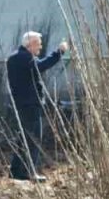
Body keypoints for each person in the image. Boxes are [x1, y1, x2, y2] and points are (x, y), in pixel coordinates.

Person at [6, 31, 68, 182]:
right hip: (29, 104)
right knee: (34, 139)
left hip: (22, 104)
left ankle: (16, 172)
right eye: (38, 45)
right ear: (30, 44)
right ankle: (29, 172)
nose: (40, 48)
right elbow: (42, 66)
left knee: (24, 138)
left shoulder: (15, 57)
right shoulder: (24, 58)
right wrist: (59, 52)